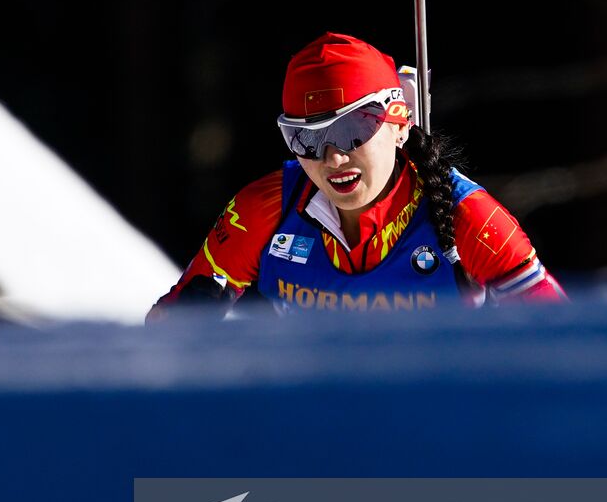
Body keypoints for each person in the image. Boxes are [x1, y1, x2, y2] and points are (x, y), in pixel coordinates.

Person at [148, 32, 565, 320]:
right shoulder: (264, 210)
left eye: (353, 130)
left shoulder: (469, 220)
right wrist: (187, 322)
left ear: (400, 124)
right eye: (306, 138)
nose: (333, 157)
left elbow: (566, 340)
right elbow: (160, 338)